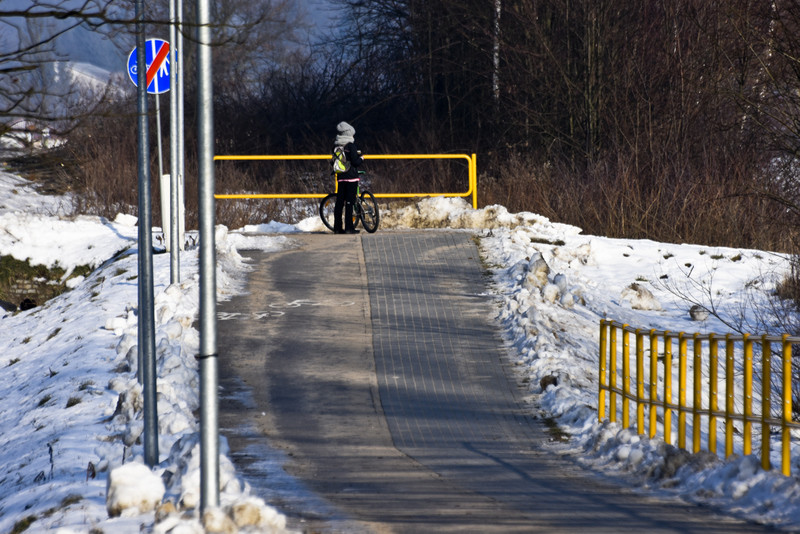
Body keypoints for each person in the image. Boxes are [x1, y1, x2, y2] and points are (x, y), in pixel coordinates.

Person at [331, 121, 364, 234]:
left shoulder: (336, 145)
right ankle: (349, 228)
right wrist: (362, 158)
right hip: (351, 177)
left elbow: (333, 161)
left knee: (340, 202)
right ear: (349, 134)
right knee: (350, 202)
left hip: (340, 177)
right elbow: (355, 162)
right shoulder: (351, 145)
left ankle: (337, 228)